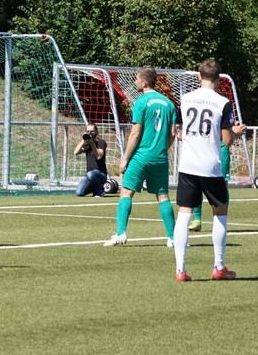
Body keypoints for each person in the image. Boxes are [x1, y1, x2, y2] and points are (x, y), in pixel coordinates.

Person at [172, 59, 247, 282]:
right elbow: (226, 140)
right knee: (220, 212)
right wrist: (236, 133)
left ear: (199, 76)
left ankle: (180, 270)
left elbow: (181, 132)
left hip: (188, 165)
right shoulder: (222, 102)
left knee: (184, 214)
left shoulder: (185, 99)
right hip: (210, 166)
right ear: (219, 79)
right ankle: (219, 266)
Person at [104, 67, 178, 247]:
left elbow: (135, 133)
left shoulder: (140, 102)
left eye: (137, 79)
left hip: (141, 156)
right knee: (163, 196)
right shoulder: (168, 103)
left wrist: (125, 158)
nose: (135, 81)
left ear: (144, 83)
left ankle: (121, 233)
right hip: (160, 157)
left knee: (126, 192)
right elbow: (173, 133)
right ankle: (172, 238)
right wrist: (163, 149)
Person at [74, 124, 108, 197]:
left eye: (92, 131)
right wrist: (83, 140)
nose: (90, 133)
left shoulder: (101, 142)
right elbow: (76, 152)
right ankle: (95, 188)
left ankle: (100, 190)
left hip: (100, 174)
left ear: (96, 132)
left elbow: (99, 156)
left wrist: (92, 143)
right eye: (88, 131)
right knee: (79, 193)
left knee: (91, 174)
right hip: (90, 176)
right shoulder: (87, 145)